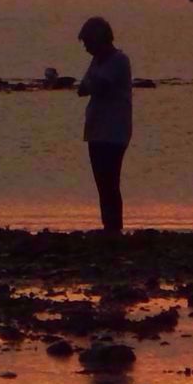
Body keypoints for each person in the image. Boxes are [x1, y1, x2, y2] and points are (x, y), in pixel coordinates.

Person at [76, 16, 132, 234]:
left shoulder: (119, 60)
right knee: (102, 182)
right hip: (96, 130)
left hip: (114, 131)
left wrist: (91, 84)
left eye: (89, 43)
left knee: (110, 181)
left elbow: (97, 85)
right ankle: (108, 225)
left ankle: (114, 226)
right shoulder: (97, 61)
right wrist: (90, 84)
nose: (87, 49)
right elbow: (83, 88)